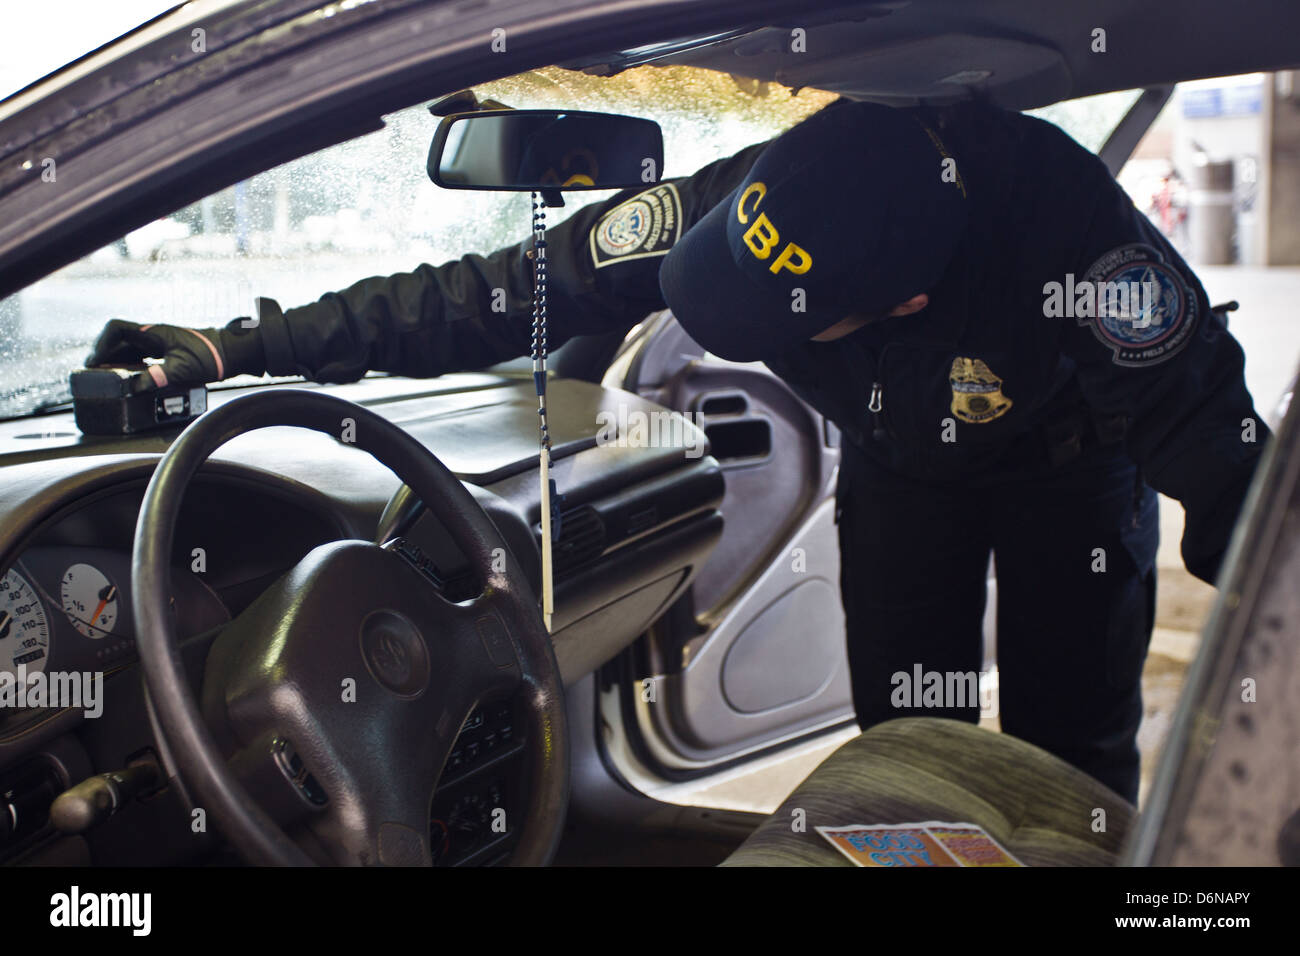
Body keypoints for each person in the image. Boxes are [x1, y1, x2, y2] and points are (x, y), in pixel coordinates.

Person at [86, 98, 1269, 803]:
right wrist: (232, 343)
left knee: (1073, 756)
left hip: (1069, 462)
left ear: (902, 303)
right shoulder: (746, 198)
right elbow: (495, 290)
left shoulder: (1083, 260)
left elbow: (1237, 479)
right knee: (913, 742)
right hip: (902, 462)